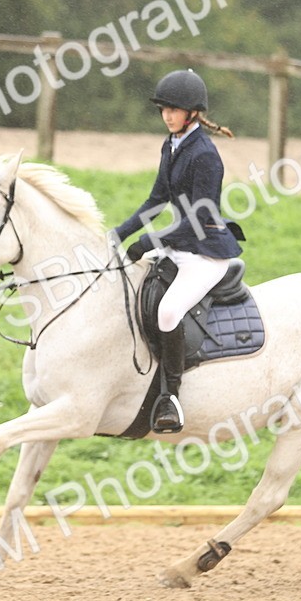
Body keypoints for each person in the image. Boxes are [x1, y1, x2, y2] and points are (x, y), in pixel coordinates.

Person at [108, 69, 241, 434]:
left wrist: (152, 241)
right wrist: (118, 234)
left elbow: (200, 217)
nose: (167, 115)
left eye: (175, 110)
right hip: (181, 244)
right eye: (164, 109)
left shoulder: (206, 156)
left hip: (206, 252)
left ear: (193, 113)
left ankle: (170, 397)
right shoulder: (171, 145)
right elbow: (156, 200)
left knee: (168, 311)